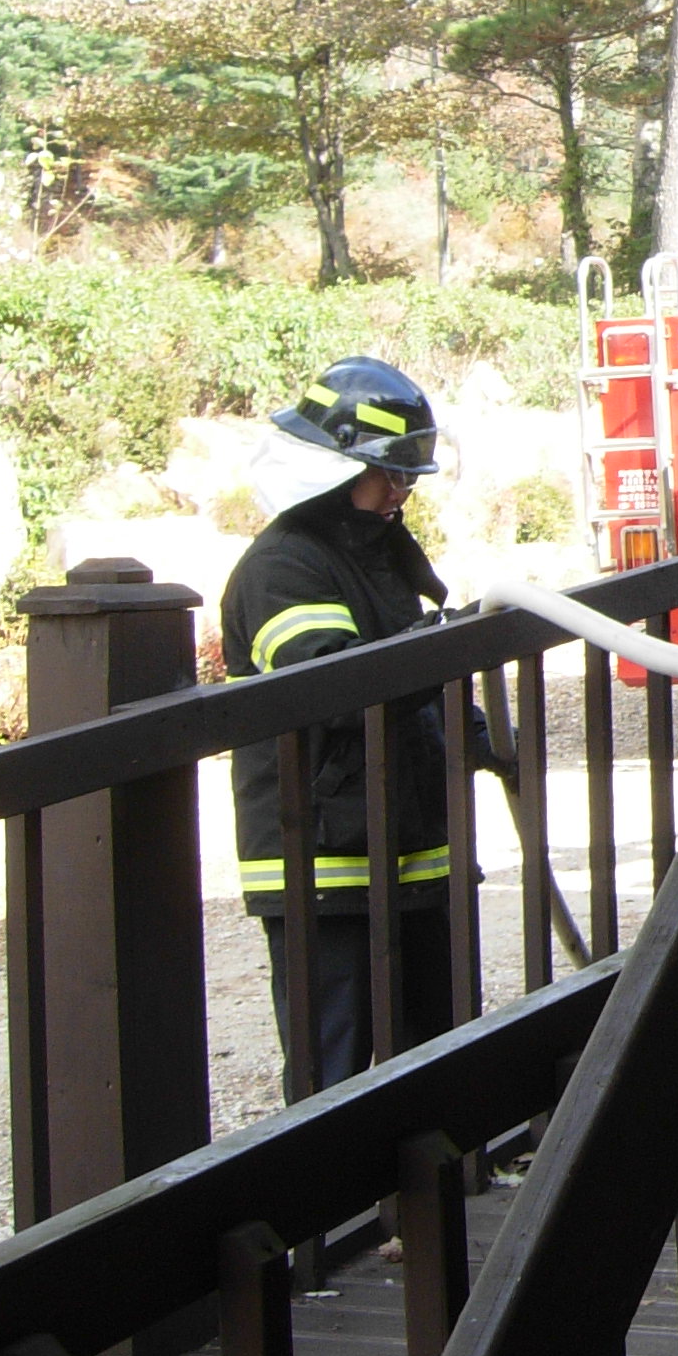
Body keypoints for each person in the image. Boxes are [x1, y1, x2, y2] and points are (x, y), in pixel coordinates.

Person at [223, 356, 458, 1097]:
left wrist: (470, 729)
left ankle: (431, 1171)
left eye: (408, 477)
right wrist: (441, 653)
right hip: (322, 863)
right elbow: (335, 685)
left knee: (439, 1057)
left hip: (403, 850)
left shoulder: (377, 557)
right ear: (335, 466)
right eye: (388, 473)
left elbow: (403, 677)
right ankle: (331, 1182)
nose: (400, 491)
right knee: (332, 1078)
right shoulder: (282, 568)